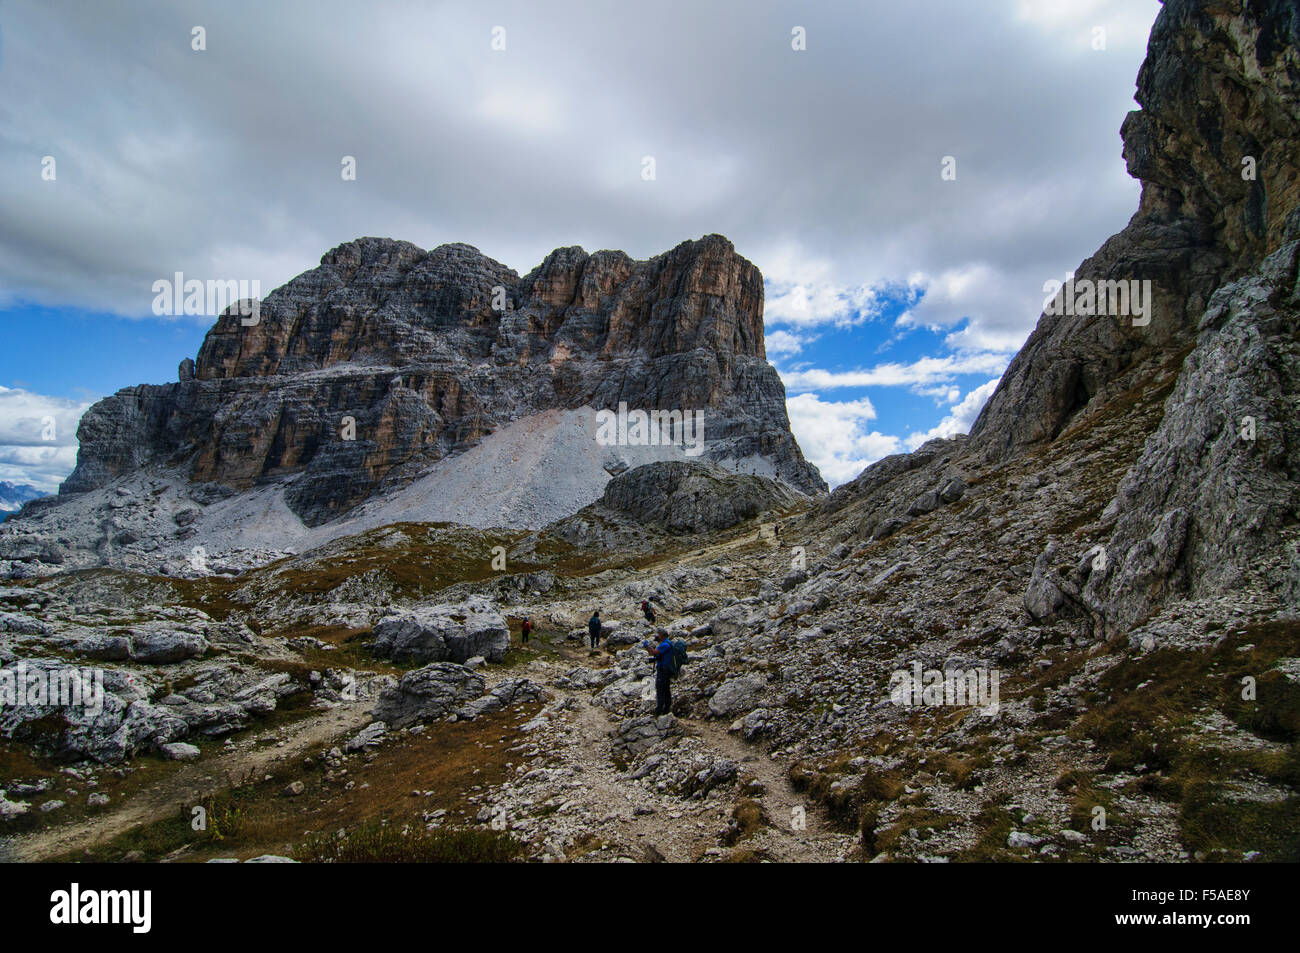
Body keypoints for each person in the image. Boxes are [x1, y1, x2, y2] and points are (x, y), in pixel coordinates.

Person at [643, 631, 675, 716]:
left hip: (663, 670)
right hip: (666, 670)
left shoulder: (665, 645)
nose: (657, 636)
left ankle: (659, 709)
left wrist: (646, 646)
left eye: (659, 635)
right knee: (666, 689)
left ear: (662, 636)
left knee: (660, 689)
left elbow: (653, 652)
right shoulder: (667, 643)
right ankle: (666, 708)